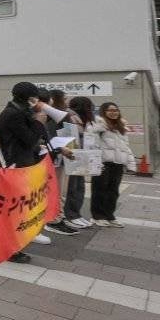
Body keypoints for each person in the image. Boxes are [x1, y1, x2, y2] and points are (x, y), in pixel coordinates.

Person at [0, 82, 56, 262]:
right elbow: (29, 139)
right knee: (15, 211)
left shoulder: (17, 111)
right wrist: (38, 122)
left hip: (22, 163)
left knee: (21, 209)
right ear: (29, 97)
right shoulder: (14, 114)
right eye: (34, 97)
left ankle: (17, 243)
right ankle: (11, 248)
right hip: (17, 165)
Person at [88, 101, 137, 227]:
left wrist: (131, 164)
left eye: (115, 110)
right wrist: (101, 125)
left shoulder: (121, 127)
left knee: (113, 191)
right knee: (100, 190)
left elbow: (126, 147)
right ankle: (97, 216)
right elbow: (91, 140)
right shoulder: (98, 125)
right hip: (103, 163)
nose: (113, 112)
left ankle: (110, 216)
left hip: (118, 164)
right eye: (110, 110)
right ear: (104, 112)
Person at [42, 90, 81, 237]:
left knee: (61, 192)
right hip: (56, 158)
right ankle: (54, 220)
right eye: (64, 98)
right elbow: (49, 138)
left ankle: (59, 218)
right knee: (58, 192)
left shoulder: (61, 115)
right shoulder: (53, 116)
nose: (67, 101)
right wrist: (61, 148)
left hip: (62, 157)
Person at [63, 96, 96, 227]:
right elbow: (67, 138)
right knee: (72, 188)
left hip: (80, 156)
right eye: (90, 107)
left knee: (80, 187)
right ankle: (70, 215)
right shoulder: (70, 117)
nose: (92, 110)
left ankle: (76, 214)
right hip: (72, 157)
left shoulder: (82, 120)